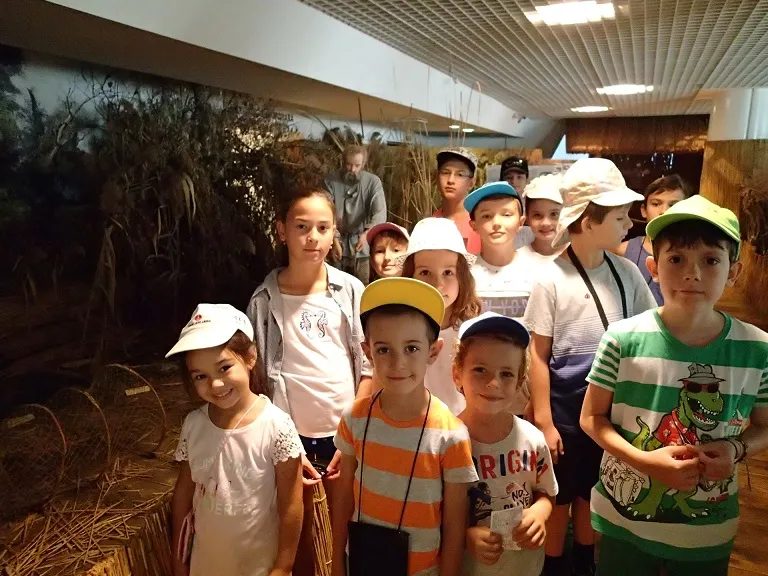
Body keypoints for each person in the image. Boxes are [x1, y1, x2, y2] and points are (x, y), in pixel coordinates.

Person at [581, 195, 768, 576]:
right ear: (653, 267)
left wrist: (736, 448)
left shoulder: (758, 349)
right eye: (676, 259)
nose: (692, 274)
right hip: (625, 520)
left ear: (734, 271)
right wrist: (644, 462)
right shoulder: (621, 339)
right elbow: (591, 418)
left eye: (711, 260)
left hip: (707, 528)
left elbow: (765, 425)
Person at [523, 158, 657, 576]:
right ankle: (554, 564)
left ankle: (584, 561)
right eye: (620, 217)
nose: (629, 224)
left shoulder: (628, 273)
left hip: (612, 409)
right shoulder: (551, 278)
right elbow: (537, 355)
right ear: (587, 220)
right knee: (561, 492)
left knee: (592, 490)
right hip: (565, 410)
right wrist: (544, 421)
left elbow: (649, 329)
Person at [246, 187, 373, 576]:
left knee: (343, 528)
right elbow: (257, 378)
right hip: (289, 437)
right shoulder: (263, 301)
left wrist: (352, 432)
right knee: (295, 531)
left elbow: (369, 367)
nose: (312, 237)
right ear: (282, 231)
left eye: (323, 227)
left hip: (344, 432)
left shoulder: (351, 291)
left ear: (334, 233)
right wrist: (282, 442)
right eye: (301, 227)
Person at [332, 277, 479, 576]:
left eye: (411, 348)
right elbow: (343, 496)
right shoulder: (354, 418)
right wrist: (334, 561)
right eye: (383, 350)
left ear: (433, 351)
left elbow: (454, 524)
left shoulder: (451, 435)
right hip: (363, 562)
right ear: (367, 351)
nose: (397, 363)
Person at [169, 304, 304, 576]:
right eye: (201, 376)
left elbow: (291, 504)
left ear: (250, 357)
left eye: (224, 367)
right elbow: (183, 493)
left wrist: (283, 566)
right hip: (205, 565)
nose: (216, 384)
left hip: (259, 567)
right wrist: (179, 559)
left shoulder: (276, 426)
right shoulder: (194, 425)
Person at [455, 312, 559, 576]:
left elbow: (547, 493)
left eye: (507, 374)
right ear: (457, 374)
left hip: (525, 567)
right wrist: (466, 536)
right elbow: (433, 510)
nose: (493, 383)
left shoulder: (533, 439)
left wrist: (539, 513)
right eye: (480, 370)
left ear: (520, 382)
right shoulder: (446, 443)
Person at [398, 217, 482, 415]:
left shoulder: (473, 331)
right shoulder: (399, 329)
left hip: (462, 425)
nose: (438, 284)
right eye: (425, 272)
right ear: (410, 276)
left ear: (462, 277)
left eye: (448, 272)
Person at [617, 174, 692, 305]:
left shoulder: (694, 254)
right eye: (656, 204)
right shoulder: (622, 251)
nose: (663, 211)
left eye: (673, 205)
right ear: (643, 210)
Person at [465, 181, 531, 323]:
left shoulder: (538, 272)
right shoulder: (464, 273)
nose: (496, 223)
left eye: (506, 214)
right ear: (473, 225)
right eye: (486, 216)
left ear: (521, 222)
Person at [324, 144, 387, 284]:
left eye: (357, 166)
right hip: (336, 241)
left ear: (363, 164)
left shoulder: (372, 182)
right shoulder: (330, 181)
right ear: (343, 162)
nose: (352, 169)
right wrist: (334, 238)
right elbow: (325, 211)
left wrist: (367, 234)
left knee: (362, 285)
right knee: (335, 284)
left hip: (361, 243)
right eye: (348, 164)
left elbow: (380, 212)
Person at [433, 147, 482, 254]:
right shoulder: (429, 225)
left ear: (472, 182)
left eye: (460, 174)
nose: (450, 180)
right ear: (437, 177)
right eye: (445, 173)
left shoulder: (481, 224)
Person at [517, 173, 566, 265]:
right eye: (537, 215)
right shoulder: (518, 260)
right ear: (527, 217)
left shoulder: (581, 256)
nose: (546, 223)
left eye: (554, 214)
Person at [500, 155, 535, 248]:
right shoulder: (496, 205)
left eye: (519, 177)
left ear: (527, 179)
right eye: (509, 177)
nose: (514, 181)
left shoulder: (535, 204)